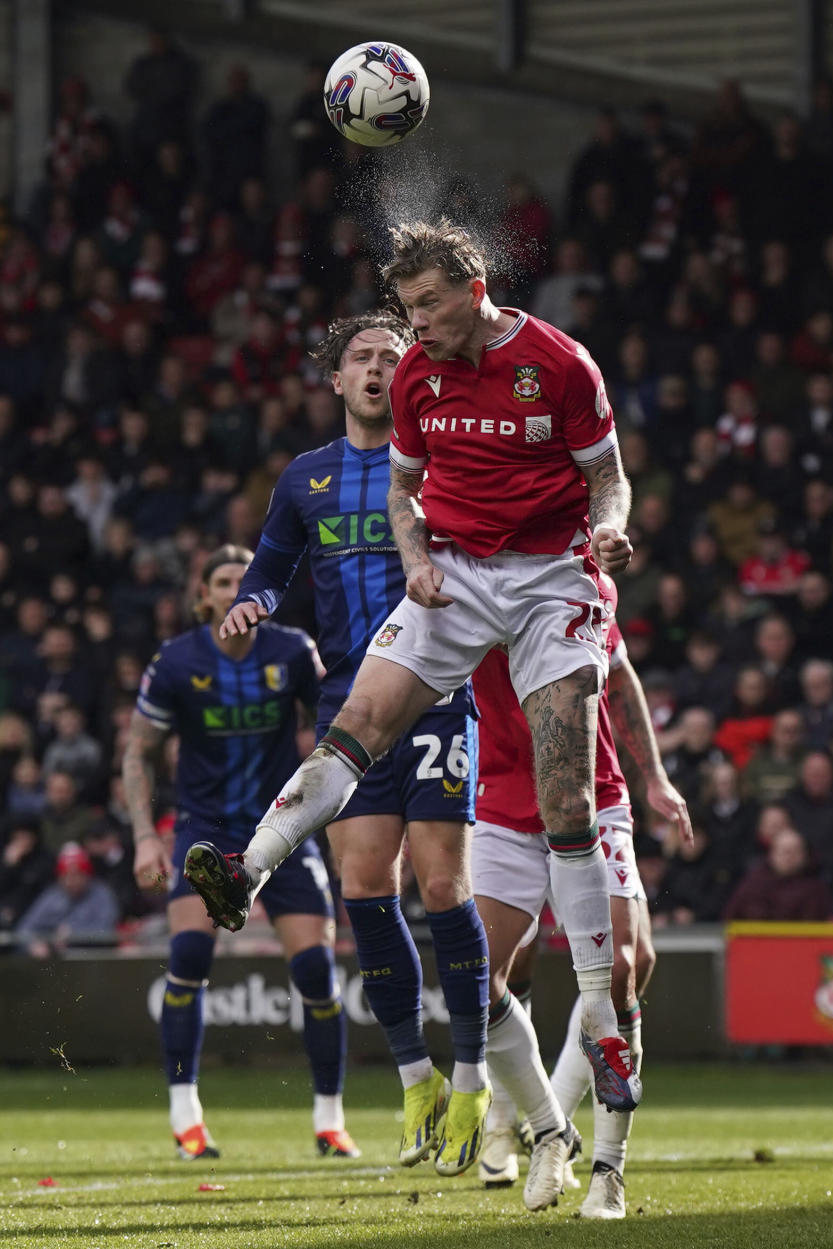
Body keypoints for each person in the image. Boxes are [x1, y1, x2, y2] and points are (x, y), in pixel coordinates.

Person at [184, 219, 643, 1155]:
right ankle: (248, 869)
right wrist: (415, 555)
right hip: (458, 576)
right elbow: (405, 489)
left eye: (429, 305)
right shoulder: (413, 383)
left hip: (553, 576)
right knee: (353, 723)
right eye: (406, 309)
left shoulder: (559, 364)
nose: (417, 324)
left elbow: (610, 481)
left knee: (568, 801)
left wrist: (608, 533)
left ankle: (602, 1019)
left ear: (474, 288)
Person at [187, 312, 486, 1178]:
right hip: (349, 704)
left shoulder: (438, 465)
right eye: (362, 357)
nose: (377, 368)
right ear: (335, 378)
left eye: (394, 358)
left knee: (440, 882)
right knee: (363, 884)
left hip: (432, 694)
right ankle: (415, 1076)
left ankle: (471, 1077)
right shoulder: (305, 478)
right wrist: (250, 602)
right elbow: (271, 567)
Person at [122, 544, 354, 1162]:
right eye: (223, 581)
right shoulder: (174, 661)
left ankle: (330, 1121)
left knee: (316, 974)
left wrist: (343, 823)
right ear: (204, 597)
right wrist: (146, 834)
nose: (233, 589)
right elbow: (137, 752)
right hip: (205, 832)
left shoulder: (292, 651)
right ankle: (186, 1117)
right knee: (189, 957)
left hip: (281, 828)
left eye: (243, 579)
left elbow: (338, 730)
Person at [470, 572, 690, 1216]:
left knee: (626, 967)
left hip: (594, 799)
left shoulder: (583, 580)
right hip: (502, 805)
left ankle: (608, 1170)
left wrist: (655, 778)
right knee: (474, 979)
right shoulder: (452, 580)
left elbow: (618, 679)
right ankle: (548, 1127)